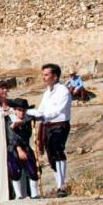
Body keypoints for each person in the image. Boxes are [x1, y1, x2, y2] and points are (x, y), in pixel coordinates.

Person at [28, 63, 73, 197]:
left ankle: (61, 185)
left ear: (55, 76)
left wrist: (43, 115)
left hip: (59, 125)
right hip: (47, 126)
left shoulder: (63, 91)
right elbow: (41, 108)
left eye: (46, 75)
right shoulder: (47, 92)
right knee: (51, 154)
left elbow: (58, 110)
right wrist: (29, 112)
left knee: (58, 151)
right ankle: (58, 183)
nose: (44, 78)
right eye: (43, 75)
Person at [6, 98, 40, 199]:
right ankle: (18, 195)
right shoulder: (9, 120)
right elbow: (11, 136)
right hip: (13, 148)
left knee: (32, 168)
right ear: (15, 110)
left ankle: (34, 193)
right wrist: (19, 148)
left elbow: (28, 134)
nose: (21, 112)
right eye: (19, 110)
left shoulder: (27, 120)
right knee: (14, 169)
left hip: (25, 146)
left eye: (23, 110)